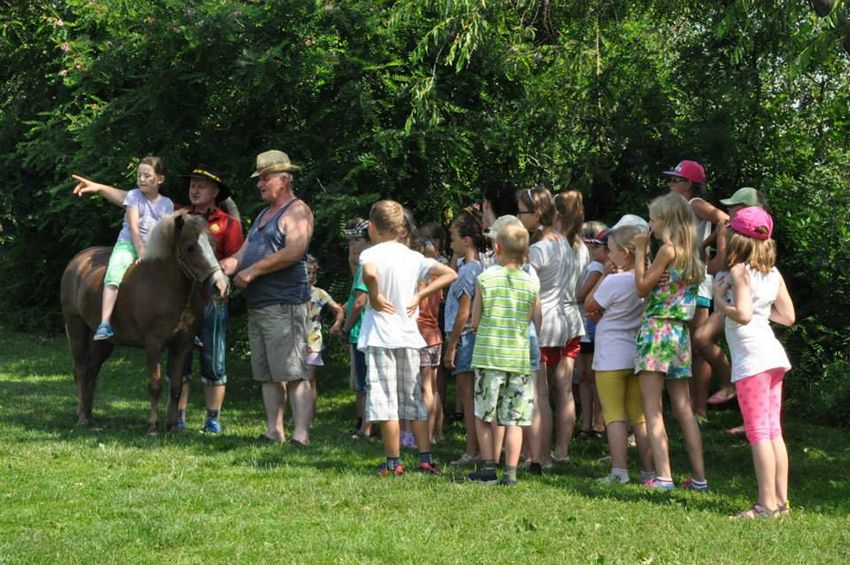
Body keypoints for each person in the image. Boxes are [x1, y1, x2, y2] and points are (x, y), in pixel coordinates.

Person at [73, 165, 243, 433]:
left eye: (201, 185)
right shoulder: (178, 215)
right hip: (180, 301)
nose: (194, 189)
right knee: (182, 364)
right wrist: (100, 188)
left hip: (211, 298)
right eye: (192, 184)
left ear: (215, 192)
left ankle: (213, 418)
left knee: (214, 361)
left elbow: (237, 254)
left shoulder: (228, 223)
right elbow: (138, 198)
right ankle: (179, 416)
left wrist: (223, 272)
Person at [220, 150, 314, 445]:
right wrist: (225, 266)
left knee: (294, 371)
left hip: (285, 303)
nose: (260, 184)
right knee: (268, 374)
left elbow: (294, 252)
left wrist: (254, 272)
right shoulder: (263, 214)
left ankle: (301, 435)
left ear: (284, 180)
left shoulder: (297, 211)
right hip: (259, 305)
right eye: (259, 179)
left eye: (265, 178)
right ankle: (274, 431)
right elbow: (244, 252)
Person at [357, 200, 457, 476]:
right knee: (413, 399)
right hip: (409, 336)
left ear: (374, 227)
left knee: (386, 401)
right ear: (401, 228)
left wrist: (375, 295)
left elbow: (370, 273)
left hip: (381, 337)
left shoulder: (371, 253)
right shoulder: (413, 257)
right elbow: (449, 273)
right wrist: (420, 295)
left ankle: (393, 462)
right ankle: (425, 458)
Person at [712, 207, 794, 518]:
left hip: (753, 362)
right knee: (774, 431)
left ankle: (765, 505)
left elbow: (743, 314)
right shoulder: (773, 273)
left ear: (736, 238)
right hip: (773, 357)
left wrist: (722, 303)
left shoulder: (739, 272)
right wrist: (761, 314)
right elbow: (788, 316)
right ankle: (781, 503)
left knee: (758, 433)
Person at [633, 192, 708, 491]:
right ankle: (699, 478)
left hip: (656, 331)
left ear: (667, 221)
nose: (650, 225)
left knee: (652, 408)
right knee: (684, 408)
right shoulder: (692, 256)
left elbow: (641, 288)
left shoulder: (667, 251)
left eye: (653, 219)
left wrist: (640, 252)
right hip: (679, 335)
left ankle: (663, 476)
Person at [466, 220, 540, 485]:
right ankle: (510, 473)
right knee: (515, 419)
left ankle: (487, 468)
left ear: (496, 248)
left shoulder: (485, 279)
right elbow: (535, 320)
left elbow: (475, 321)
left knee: (485, 414)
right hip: (518, 358)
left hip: (489, 356)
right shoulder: (531, 284)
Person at [72, 156, 174, 341]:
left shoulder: (167, 204)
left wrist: (155, 254)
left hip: (152, 249)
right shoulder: (134, 196)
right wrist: (141, 252)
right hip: (128, 244)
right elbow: (134, 228)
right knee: (114, 273)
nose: (142, 179)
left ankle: (180, 323)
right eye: (139, 175)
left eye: (147, 175)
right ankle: (104, 323)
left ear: (160, 179)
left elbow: (163, 233)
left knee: (172, 276)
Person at [585, 223, 654, 484]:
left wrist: (603, 276)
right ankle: (648, 470)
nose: (608, 255)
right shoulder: (646, 280)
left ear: (625, 253)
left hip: (610, 356)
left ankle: (619, 471)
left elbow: (590, 304)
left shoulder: (613, 281)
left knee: (614, 415)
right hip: (636, 354)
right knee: (639, 416)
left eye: (611, 250)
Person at [663, 160, 729, 421]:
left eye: (675, 180)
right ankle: (691, 409)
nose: (670, 185)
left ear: (688, 184)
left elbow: (724, 219)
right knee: (689, 346)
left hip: (697, 280)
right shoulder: (682, 208)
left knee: (698, 345)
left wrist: (706, 246)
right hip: (684, 279)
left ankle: (701, 407)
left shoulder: (694, 204)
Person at [443, 208, 484, 465]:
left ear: (466, 240)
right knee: (467, 394)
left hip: (465, 338)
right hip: (464, 338)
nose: (451, 243)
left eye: (454, 238)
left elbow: (464, 312)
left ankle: (472, 450)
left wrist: (452, 346)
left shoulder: (470, 271)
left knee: (468, 396)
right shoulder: (464, 267)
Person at [576, 221, 608, 440]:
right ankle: (587, 423)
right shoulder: (590, 266)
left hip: (593, 326)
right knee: (585, 376)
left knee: (593, 376)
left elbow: (581, 295)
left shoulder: (597, 268)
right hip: (585, 325)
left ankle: (598, 422)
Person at [342, 218, 373, 439]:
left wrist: (346, 328)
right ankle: (361, 422)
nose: (353, 245)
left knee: (366, 383)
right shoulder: (360, 266)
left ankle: (367, 429)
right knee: (359, 382)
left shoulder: (368, 266)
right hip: (357, 332)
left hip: (362, 330)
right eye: (349, 241)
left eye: (357, 240)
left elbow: (360, 301)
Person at [305, 254, 345, 421]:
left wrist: (337, 324)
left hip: (312, 342)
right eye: (307, 272)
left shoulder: (319, 294)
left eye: (313, 273)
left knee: (309, 380)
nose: (311, 276)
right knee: (292, 380)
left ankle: (310, 415)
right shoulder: (290, 293)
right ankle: (296, 413)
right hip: (291, 341)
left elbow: (339, 309)